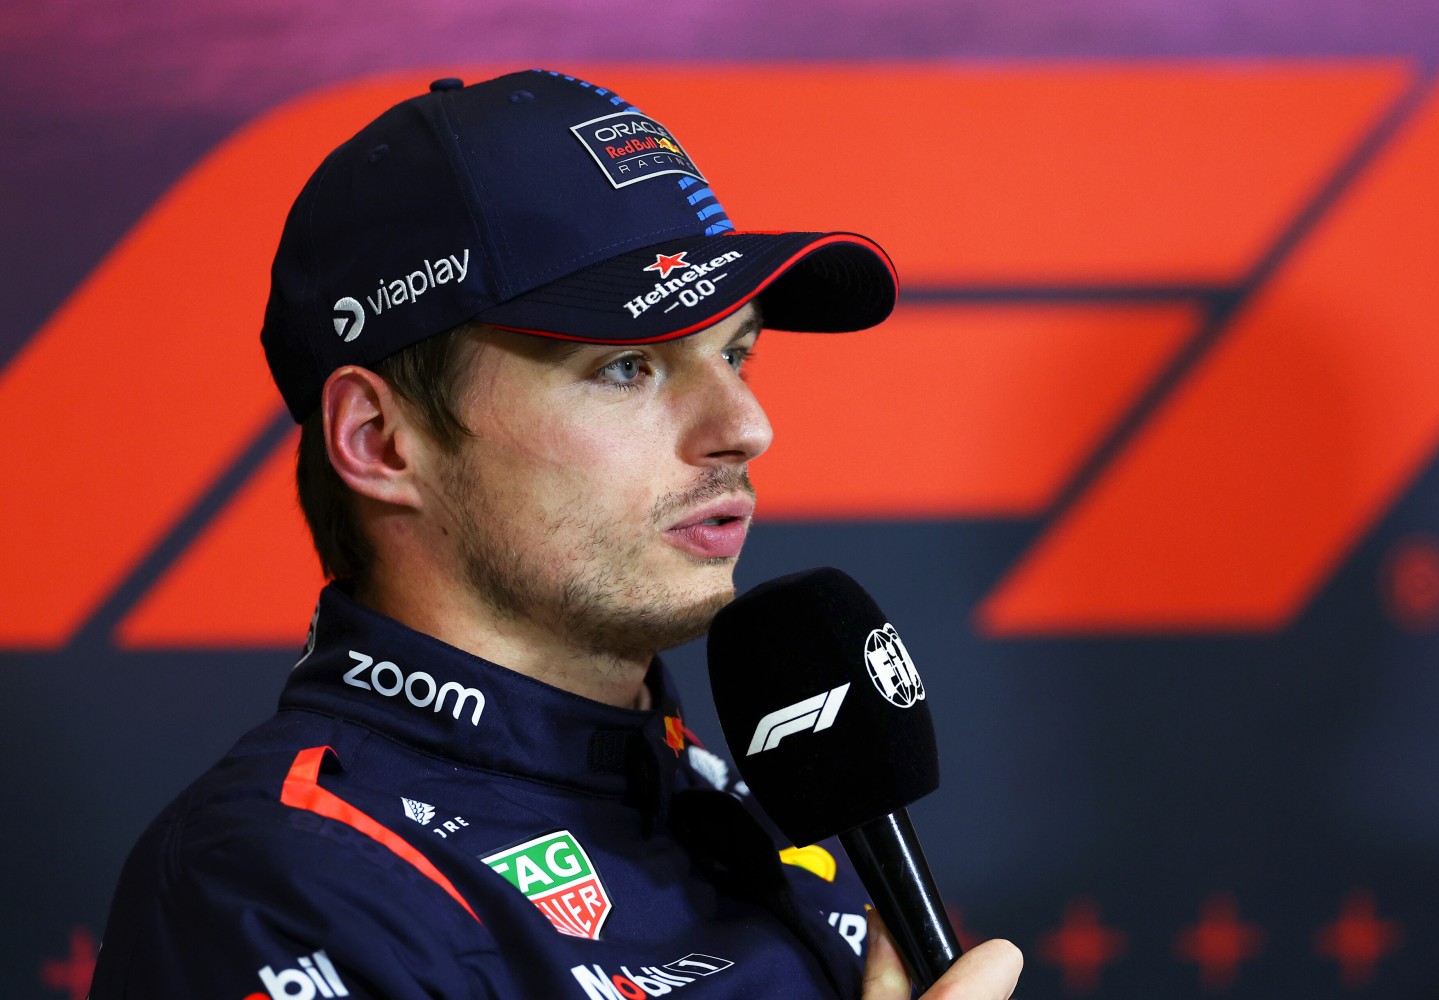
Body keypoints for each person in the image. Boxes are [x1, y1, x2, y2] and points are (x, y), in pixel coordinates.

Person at [91, 68, 1022, 999]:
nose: (745, 425)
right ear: (379, 442)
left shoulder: (751, 804)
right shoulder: (274, 887)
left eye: (736, 352)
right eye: (626, 366)